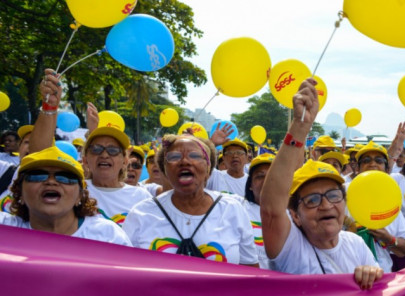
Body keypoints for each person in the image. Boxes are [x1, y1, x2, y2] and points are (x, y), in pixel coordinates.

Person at [260, 79, 383, 289]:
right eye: (312, 200)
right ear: (295, 215)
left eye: (334, 196)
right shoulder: (291, 248)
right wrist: (300, 127)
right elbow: (271, 209)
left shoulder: (356, 244)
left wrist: (373, 275)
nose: (326, 206)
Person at [28, 69, 152, 226]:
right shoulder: (74, 189)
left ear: (125, 160)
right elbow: (39, 157)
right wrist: (49, 106)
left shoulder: (142, 197)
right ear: (85, 159)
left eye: (113, 150)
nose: (104, 155)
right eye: (96, 149)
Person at [123, 134, 258, 266]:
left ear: (208, 169)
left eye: (194, 156)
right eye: (174, 157)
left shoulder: (232, 210)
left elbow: (250, 273)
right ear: (165, 169)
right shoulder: (141, 214)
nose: (185, 162)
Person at [1, 146, 131, 245]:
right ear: (20, 193)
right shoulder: (5, 229)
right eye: (37, 176)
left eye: (65, 177)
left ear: (80, 196)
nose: (51, 182)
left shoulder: (109, 237)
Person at [353, 141, 405, 272]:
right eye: (366, 160)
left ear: (386, 169)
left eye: (379, 160)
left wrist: (388, 238)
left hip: (383, 276)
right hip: (347, 277)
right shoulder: (341, 196)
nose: (372, 164)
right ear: (357, 168)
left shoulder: (391, 201)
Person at [242, 153, 275, 268]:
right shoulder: (238, 210)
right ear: (250, 185)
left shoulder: (295, 214)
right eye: (260, 176)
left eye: (272, 175)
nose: (266, 181)